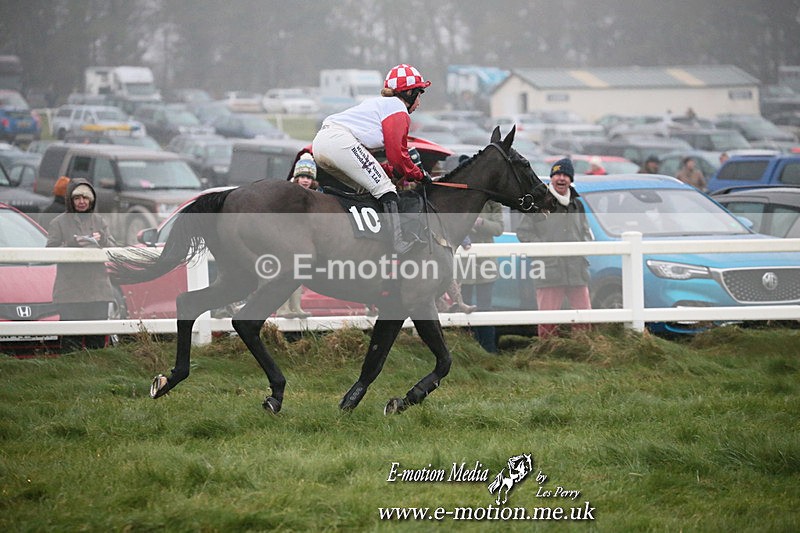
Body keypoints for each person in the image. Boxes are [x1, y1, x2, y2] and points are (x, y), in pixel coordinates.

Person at [312, 64, 431, 254]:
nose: (419, 102)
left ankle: (359, 239)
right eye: (420, 94)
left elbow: (382, 164)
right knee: (385, 188)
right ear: (409, 93)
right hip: (338, 142)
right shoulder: (397, 109)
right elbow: (398, 157)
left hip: (322, 143)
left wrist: (396, 171)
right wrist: (420, 174)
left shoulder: (381, 105)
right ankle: (398, 243)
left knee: (366, 189)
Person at [516, 158, 592, 339]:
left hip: (576, 269)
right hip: (549, 269)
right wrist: (543, 249)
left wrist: (584, 245)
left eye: (565, 175)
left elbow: (585, 231)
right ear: (551, 177)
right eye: (557, 174)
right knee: (548, 318)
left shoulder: (577, 204)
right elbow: (523, 232)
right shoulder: (538, 202)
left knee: (584, 315)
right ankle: (547, 352)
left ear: (571, 179)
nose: (561, 178)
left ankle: (583, 349)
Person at [46, 178, 115, 351]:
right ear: (70, 200)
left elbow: (114, 249)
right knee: (71, 343)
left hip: (97, 291)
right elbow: (49, 252)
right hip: (70, 291)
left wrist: (102, 240)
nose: (82, 202)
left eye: (85, 198)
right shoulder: (58, 223)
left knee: (97, 343)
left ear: (91, 200)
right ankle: (72, 375)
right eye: (77, 198)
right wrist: (71, 245)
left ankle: (96, 375)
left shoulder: (100, 222)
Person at [459, 200, 504, 352]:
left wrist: (480, 223)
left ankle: (488, 350)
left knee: (485, 307)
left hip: (486, 264)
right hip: (463, 264)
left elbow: (499, 228)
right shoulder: (461, 197)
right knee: (462, 308)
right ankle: (465, 349)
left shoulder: (493, 203)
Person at [277, 155, 318, 318]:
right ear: (296, 177)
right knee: (285, 274)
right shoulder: (289, 194)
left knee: (298, 276)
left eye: (308, 177)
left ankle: (296, 307)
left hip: (303, 240)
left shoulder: (315, 196)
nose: (305, 180)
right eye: (302, 176)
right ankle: (282, 308)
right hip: (287, 238)